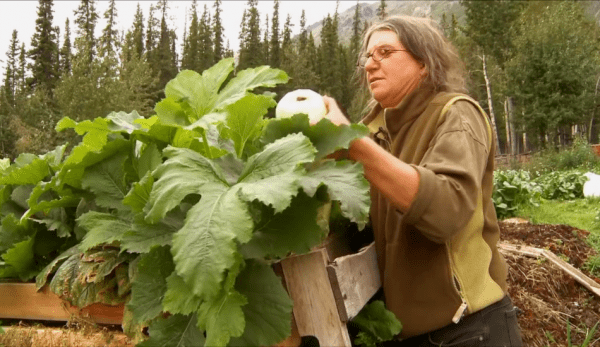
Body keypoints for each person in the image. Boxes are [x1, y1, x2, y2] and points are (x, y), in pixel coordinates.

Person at [323, 16, 523, 346]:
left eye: (385, 52)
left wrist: (355, 146)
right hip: (407, 336)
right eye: (368, 56)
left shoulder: (456, 114)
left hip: (470, 330)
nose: (370, 64)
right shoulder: (373, 131)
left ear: (423, 63)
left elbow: (446, 210)